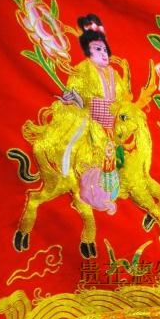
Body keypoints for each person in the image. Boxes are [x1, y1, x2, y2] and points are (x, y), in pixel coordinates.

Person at [31, 14, 127, 213]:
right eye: (97, 49)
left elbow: (122, 100)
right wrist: (75, 100)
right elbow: (74, 95)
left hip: (111, 127)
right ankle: (91, 195)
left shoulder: (115, 75)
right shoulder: (82, 70)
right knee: (86, 161)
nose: (103, 53)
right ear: (88, 51)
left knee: (114, 161)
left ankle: (109, 194)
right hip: (90, 125)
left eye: (105, 49)